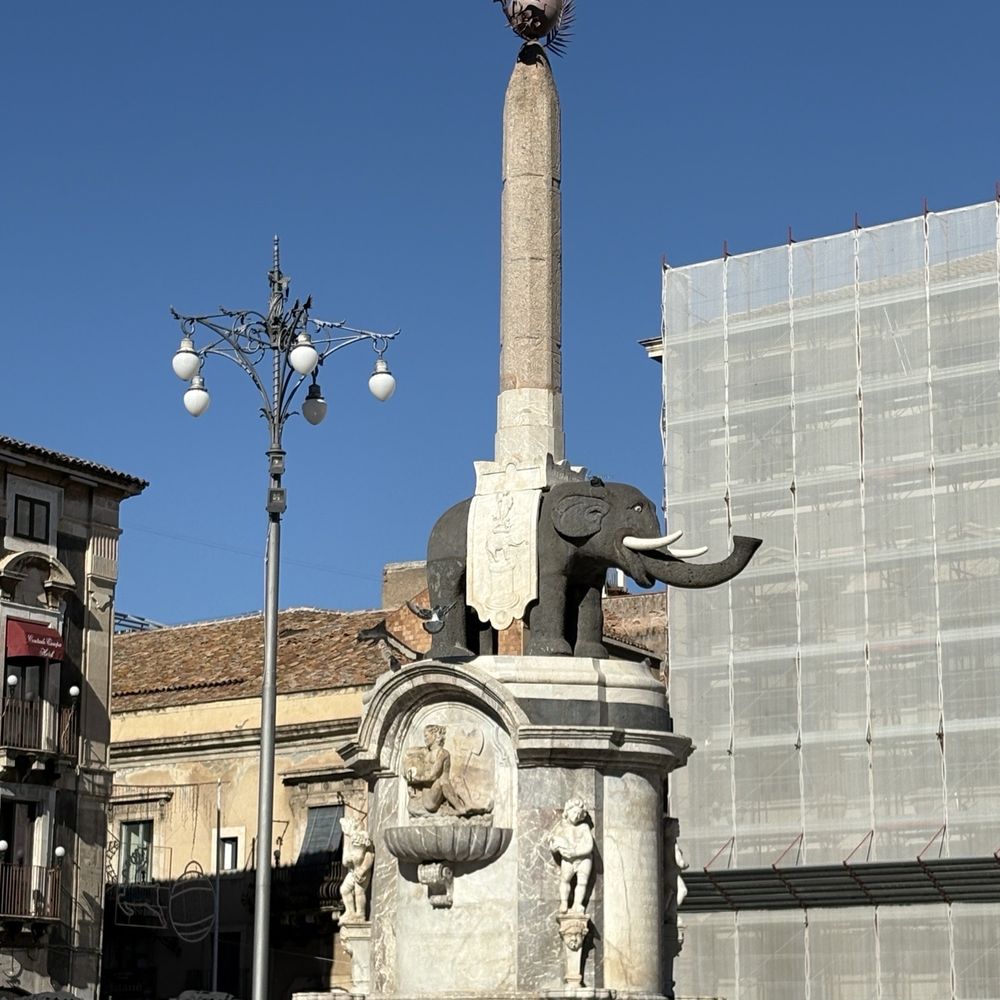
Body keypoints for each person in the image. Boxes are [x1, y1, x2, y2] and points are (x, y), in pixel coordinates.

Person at [405, 725, 469, 815]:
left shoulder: (443, 753)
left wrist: (417, 778)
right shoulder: (426, 752)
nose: (425, 739)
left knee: (442, 781)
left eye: (426, 736)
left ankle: (459, 808)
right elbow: (408, 752)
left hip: (438, 791)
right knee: (442, 781)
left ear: (435, 736)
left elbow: (433, 776)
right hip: (428, 798)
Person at [548, 798, 594, 913]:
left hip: (584, 859)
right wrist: (554, 849)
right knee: (565, 879)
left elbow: (589, 846)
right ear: (567, 812)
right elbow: (553, 843)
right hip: (568, 859)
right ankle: (564, 903)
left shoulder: (584, 827)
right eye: (574, 812)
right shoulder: (561, 827)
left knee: (582, 882)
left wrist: (576, 852)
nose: (576, 816)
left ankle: (577, 904)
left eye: (579, 814)